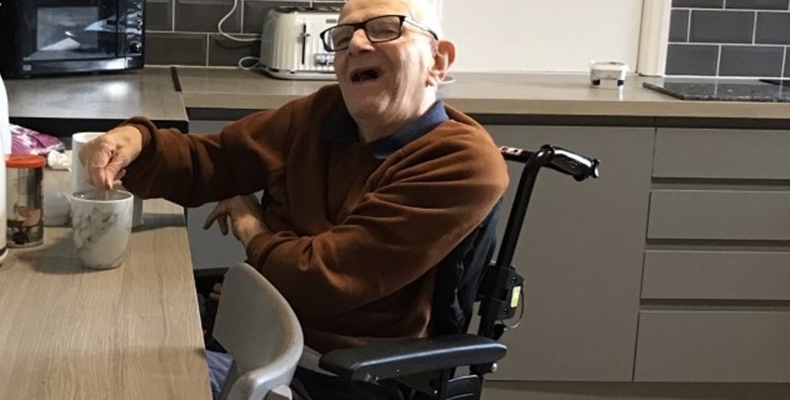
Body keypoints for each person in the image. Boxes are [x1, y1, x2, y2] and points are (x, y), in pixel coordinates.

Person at [78, 0, 508, 397]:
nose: (356, 44)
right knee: (93, 350)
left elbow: (322, 278)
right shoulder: (322, 114)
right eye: (343, 37)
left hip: (337, 375)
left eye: (383, 29)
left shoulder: (461, 161)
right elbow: (215, 159)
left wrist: (251, 229)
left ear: (438, 61)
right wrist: (137, 139)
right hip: (257, 334)